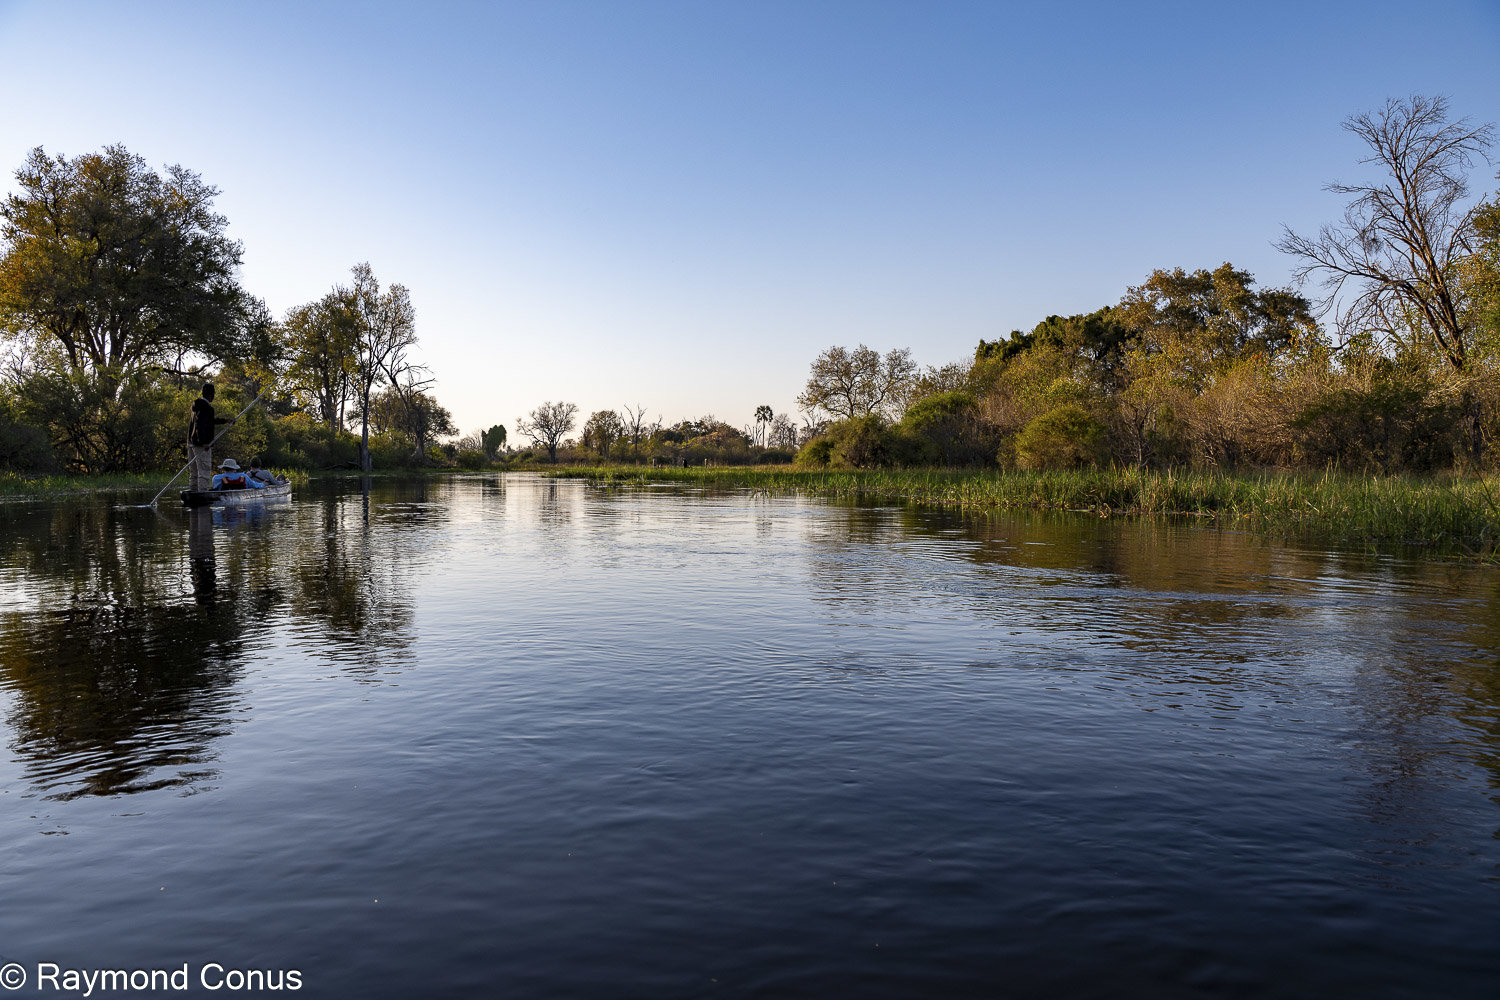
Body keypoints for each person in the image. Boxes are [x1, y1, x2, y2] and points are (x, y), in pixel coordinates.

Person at [187, 383, 233, 491]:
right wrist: (204, 442)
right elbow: (200, 425)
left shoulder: (196, 406)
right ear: (211, 395)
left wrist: (225, 420)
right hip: (201, 445)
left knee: (194, 472)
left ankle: (193, 492)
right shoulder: (206, 407)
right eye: (213, 394)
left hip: (191, 442)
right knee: (204, 471)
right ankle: (202, 495)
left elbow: (208, 421)